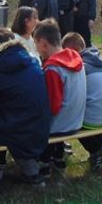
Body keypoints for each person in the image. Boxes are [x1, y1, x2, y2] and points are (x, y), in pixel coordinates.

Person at [0, 30, 50, 187]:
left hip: (18, 129)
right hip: (41, 125)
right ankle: (31, 171)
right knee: (5, 117)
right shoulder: (32, 62)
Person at [33, 19, 86, 171]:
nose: (37, 49)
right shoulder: (77, 59)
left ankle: (41, 161)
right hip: (76, 120)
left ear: (43, 43)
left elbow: (53, 106)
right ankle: (57, 155)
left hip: (60, 125)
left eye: (36, 44)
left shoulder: (53, 69)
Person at [62, 32, 102, 173]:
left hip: (92, 119)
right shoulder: (100, 62)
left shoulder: (81, 67)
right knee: (91, 109)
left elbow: (72, 96)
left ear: (70, 51)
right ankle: (97, 153)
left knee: (68, 121)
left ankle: (97, 152)